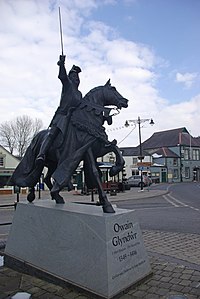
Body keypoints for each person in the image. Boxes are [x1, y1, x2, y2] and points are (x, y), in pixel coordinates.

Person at [35, 55, 82, 165]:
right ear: (70, 77)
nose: (76, 78)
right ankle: (41, 154)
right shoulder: (67, 86)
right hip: (62, 116)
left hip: (72, 120)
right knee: (52, 134)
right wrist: (61, 64)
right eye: (74, 76)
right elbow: (62, 76)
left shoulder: (79, 94)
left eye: (77, 77)